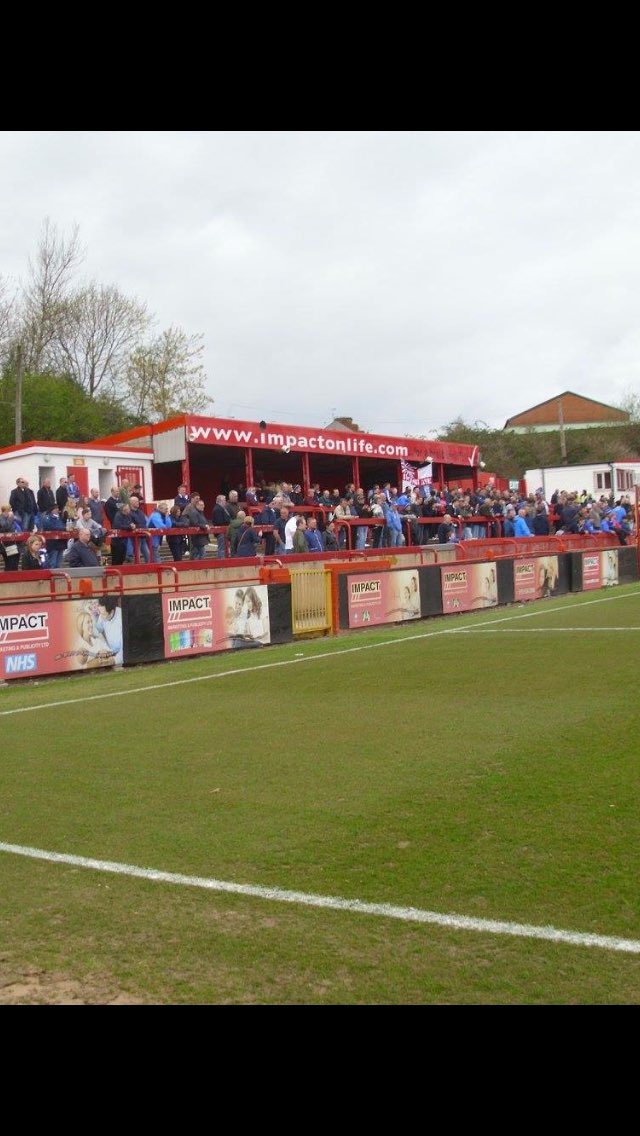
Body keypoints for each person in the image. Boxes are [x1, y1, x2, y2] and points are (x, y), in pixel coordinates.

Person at [95, 596, 124, 665]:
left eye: (103, 614)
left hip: (121, 656)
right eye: (100, 612)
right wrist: (102, 647)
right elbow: (97, 631)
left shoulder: (122, 618)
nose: (101, 616)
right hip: (109, 652)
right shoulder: (102, 615)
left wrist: (114, 660)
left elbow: (125, 648)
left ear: (112, 612)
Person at [0, 505, 21, 571]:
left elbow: (20, 521)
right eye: (9, 510)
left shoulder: (12, 517)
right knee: (10, 564)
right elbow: (5, 527)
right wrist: (10, 518)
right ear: (5, 511)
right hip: (7, 545)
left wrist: (13, 517)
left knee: (15, 564)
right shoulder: (1, 518)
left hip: (16, 544)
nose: (11, 512)